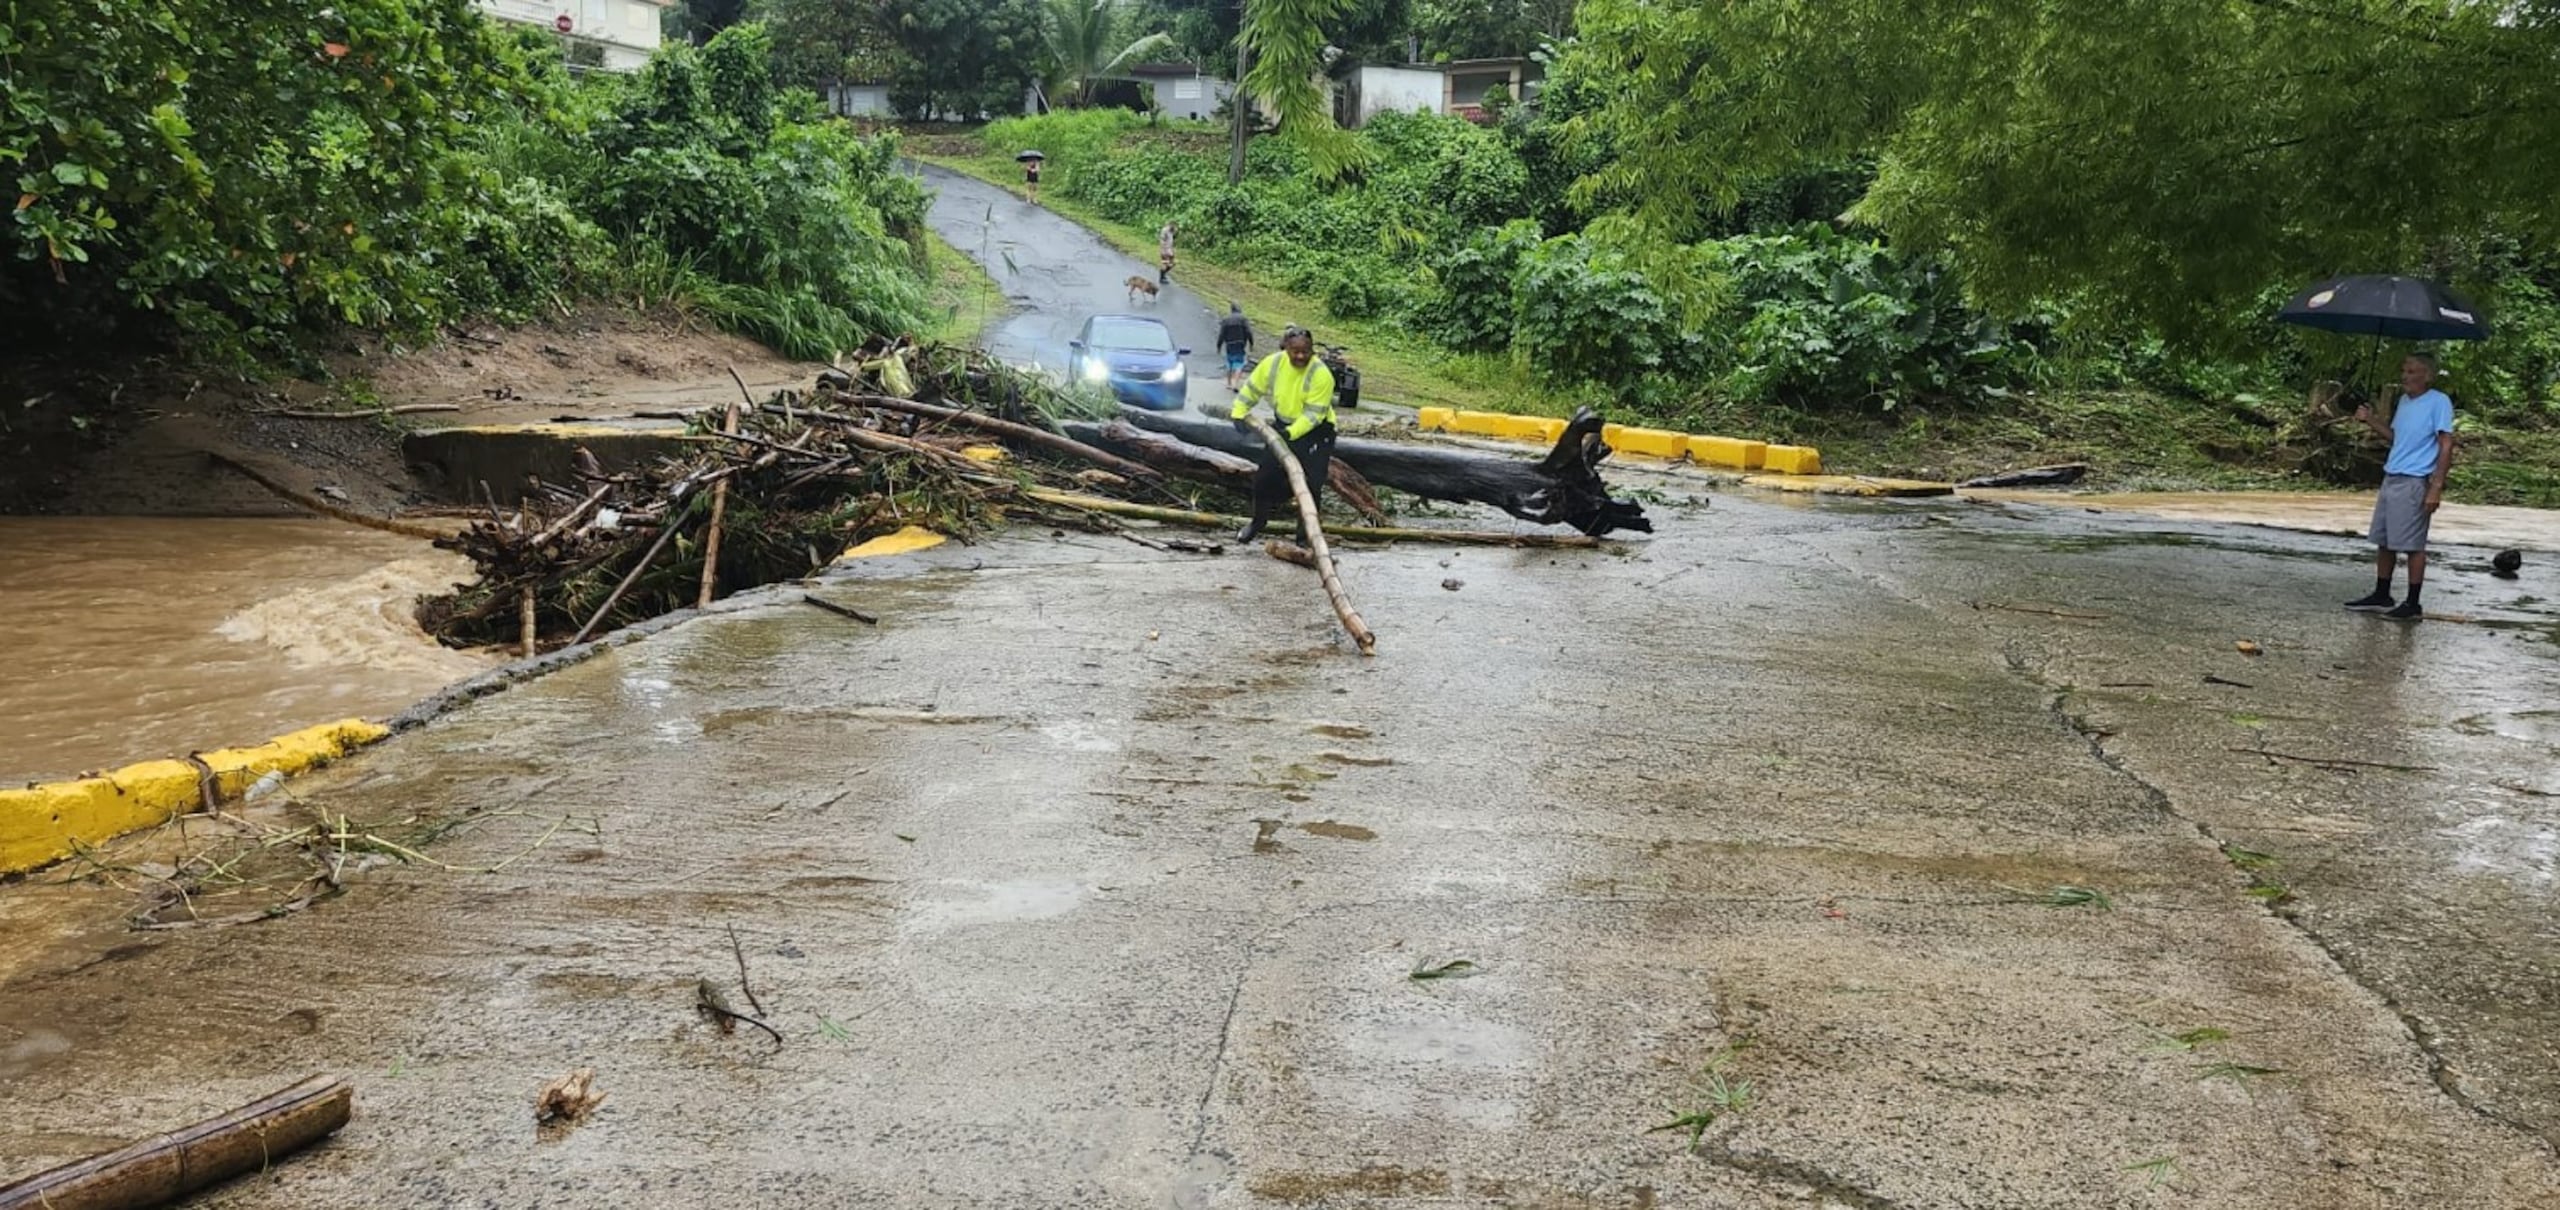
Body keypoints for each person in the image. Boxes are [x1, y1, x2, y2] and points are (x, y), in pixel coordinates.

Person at [2344, 352, 2456, 621]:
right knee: (2384, 540)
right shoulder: (2405, 401)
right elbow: (2397, 438)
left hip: (2415, 480)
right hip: (2392, 476)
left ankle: (2413, 603)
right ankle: (2382, 593)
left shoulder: (2438, 402)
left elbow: (2446, 444)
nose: (2405, 375)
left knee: (2413, 544)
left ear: (2427, 375)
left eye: (2412, 371)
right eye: (2404, 370)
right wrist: (2370, 419)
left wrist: (2436, 486)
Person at [1229, 326, 1337, 543]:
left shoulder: (1321, 374)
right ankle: (1257, 522)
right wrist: (1239, 413)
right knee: (1263, 479)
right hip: (1283, 426)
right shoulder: (1273, 363)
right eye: (1295, 351)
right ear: (1285, 348)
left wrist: (1291, 433)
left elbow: (1313, 415)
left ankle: (1304, 537)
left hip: (1317, 432)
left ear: (1311, 350)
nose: (1300, 356)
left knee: (1311, 485)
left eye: (1305, 352)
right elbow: (1252, 389)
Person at [1216, 303, 1254, 390]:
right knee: (1239, 364)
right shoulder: (1243, 319)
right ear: (1239, 309)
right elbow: (1249, 332)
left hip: (1229, 344)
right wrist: (1251, 343)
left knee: (1230, 362)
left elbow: (1221, 334)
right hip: (1240, 344)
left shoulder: (1226, 320)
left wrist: (1219, 346)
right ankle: (1235, 384)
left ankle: (1229, 383)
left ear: (1231, 310)